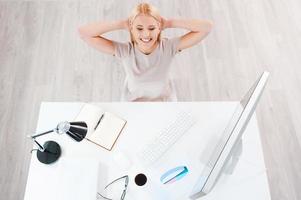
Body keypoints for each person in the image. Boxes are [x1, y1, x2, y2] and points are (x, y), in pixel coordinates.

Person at [78, 3, 213, 101]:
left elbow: (206, 28)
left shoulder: (169, 47)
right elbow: (84, 33)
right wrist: (120, 24)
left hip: (164, 101)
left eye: (152, 28)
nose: (146, 34)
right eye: (139, 28)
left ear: (159, 28)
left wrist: (169, 23)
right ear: (131, 28)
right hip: (133, 103)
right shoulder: (125, 51)